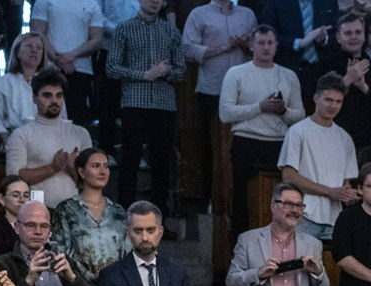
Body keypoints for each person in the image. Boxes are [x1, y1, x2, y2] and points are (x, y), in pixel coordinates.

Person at [219, 25, 306, 238]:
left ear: (276, 45)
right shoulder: (236, 73)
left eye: (270, 43)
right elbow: (225, 113)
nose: (266, 47)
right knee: (242, 198)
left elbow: (300, 115)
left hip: (279, 143)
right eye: (261, 43)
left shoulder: (289, 76)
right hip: (246, 142)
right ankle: (240, 247)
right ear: (251, 45)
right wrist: (260, 107)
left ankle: (281, 243)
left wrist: (283, 110)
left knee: (281, 199)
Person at [107, 0, 184, 215]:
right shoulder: (124, 28)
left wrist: (165, 72)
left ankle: (159, 220)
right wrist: (143, 75)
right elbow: (111, 67)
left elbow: (181, 71)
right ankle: (124, 217)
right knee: (130, 160)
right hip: (134, 103)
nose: (154, 1)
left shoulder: (171, 31)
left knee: (161, 163)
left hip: (164, 105)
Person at [181, 0, 255, 206]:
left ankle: (238, 197)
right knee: (209, 146)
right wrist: (224, 46)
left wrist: (245, 44)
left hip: (243, 91)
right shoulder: (198, 14)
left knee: (240, 144)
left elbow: (259, 46)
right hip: (211, 89)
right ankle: (208, 199)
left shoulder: (247, 14)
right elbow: (187, 49)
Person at [277, 72, 359, 240]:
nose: (333, 106)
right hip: (303, 215)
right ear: (316, 98)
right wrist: (330, 192)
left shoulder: (345, 138)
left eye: (338, 101)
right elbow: (289, 176)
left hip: (334, 218)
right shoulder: (298, 131)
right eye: (328, 100)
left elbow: (346, 183)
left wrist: (348, 195)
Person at [5, 69, 94, 211]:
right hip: (36, 215)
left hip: (75, 214)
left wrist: (72, 169)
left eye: (59, 96)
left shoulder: (81, 133)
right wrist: (52, 168)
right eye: (47, 95)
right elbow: (14, 179)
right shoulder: (21, 134)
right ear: (34, 98)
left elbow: (91, 183)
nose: (54, 101)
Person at [313, 13, 371, 150]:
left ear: (364, 36)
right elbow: (315, 101)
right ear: (338, 37)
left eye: (358, 32)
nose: (354, 37)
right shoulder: (325, 65)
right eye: (348, 33)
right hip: (332, 140)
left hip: (370, 143)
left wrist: (364, 88)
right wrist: (346, 81)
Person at [51, 149, 129, 285]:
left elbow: (127, 253)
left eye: (106, 166)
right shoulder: (66, 209)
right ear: (81, 172)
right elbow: (62, 252)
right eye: (95, 166)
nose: (103, 171)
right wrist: (87, 279)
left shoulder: (118, 211)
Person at [28, 0, 102, 125]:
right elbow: (38, 32)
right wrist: (57, 58)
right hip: (49, 70)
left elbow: (97, 39)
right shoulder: (43, 1)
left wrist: (71, 55)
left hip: (81, 71)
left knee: (75, 121)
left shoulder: (92, 4)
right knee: (48, 116)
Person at [0, 33, 47, 148]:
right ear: (17, 52)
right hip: (10, 143)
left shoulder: (49, 84)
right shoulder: (2, 83)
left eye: (39, 48)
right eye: (29, 46)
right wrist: (11, 145)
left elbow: (60, 119)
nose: (34, 50)